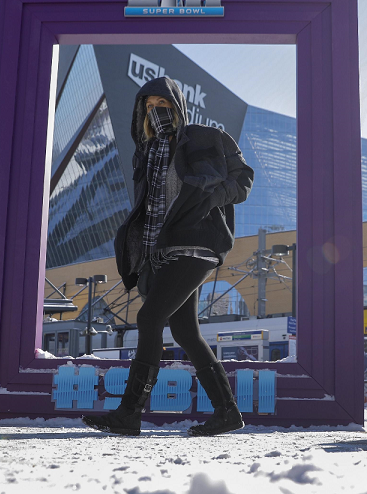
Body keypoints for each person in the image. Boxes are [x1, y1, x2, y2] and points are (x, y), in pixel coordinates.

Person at [83, 77, 254, 437]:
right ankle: (227, 411)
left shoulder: (207, 137)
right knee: (185, 331)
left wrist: (211, 198)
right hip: (164, 251)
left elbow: (243, 179)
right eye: (148, 106)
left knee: (149, 318)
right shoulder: (146, 153)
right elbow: (149, 209)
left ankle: (129, 413)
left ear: (176, 104)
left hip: (197, 244)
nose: (155, 110)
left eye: (162, 103)